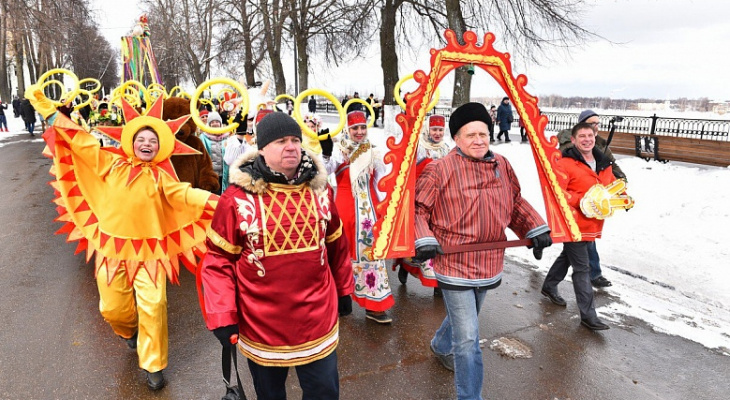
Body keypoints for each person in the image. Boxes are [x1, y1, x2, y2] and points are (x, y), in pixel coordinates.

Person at [26, 86, 218, 391]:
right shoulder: (110, 164)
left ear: (160, 147)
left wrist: (226, 204)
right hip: (111, 249)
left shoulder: (163, 179)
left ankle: (153, 364)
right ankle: (128, 331)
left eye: (152, 141)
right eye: (141, 139)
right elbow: (80, 141)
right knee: (112, 308)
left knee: (154, 307)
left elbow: (188, 194)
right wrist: (48, 109)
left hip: (151, 255)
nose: (146, 143)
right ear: (131, 142)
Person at [201, 112, 354, 400]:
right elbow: (217, 261)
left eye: (295, 140)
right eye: (281, 141)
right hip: (262, 323)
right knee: (270, 395)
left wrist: (344, 289)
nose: (291, 146)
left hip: (317, 319)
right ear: (261, 148)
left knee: (325, 392)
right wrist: (223, 315)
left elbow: (335, 243)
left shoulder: (320, 190)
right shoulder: (236, 198)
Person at [414, 102, 552, 400]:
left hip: (489, 261)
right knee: (468, 339)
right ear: (456, 139)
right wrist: (423, 239)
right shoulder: (439, 170)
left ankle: (439, 345)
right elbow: (418, 210)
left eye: (483, 133)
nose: (479, 140)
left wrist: (535, 227)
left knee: (466, 317)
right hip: (453, 263)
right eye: (470, 134)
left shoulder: (502, 164)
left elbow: (514, 203)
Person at [541, 121, 616, 331]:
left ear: (595, 137)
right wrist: (582, 200)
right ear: (573, 140)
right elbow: (558, 192)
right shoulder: (565, 163)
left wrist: (620, 198)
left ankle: (548, 285)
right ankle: (588, 315)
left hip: (592, 223)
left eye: (590, 136)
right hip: (572, 222)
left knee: (570, 256)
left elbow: (609, 189)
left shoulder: (603, 162)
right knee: (582, 267)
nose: (587, 139)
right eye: (581, 136)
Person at [323, 110, 393, 323]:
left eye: (363, 127)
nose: (360, 132)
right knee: (340, 254)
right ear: (347, 129)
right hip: (343, 212)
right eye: (355, 128)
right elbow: (323, 171)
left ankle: (375, 305)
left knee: (371, 255)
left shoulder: (374, 152)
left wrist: (385, 209)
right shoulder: (339, 152)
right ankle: (338, 301)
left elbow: (382, 184)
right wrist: (325, 154)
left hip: (369, 215)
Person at [557, 109, 626, 288]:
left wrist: (620, 183)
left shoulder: (599, 143)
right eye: (592, 123)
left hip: (594, 201)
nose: (596, 127)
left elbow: (610, 164)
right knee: (583, 246)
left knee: (574, 249)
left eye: (597, 124)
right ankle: (592, 278)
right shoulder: (570, 143)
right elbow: (571, 168)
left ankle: (550, 284)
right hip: (578, 202)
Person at [396, 114, 453, 296]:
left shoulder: (446, 149)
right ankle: (406, 266)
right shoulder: (419, 147)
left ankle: (438, 281)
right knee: (419, 242)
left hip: (440, 202)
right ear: (428, 130)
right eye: (434, 129)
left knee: (438, 240)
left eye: (440, 130)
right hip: (420, 200)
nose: (437, 133)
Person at [200, 111, 230, 194]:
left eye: (217, 122)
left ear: (220, 124)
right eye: (212, 122)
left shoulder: (227, 137)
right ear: (209, 124)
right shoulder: (203, 138)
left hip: (225, 174)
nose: (215, 124)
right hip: (212, 174)